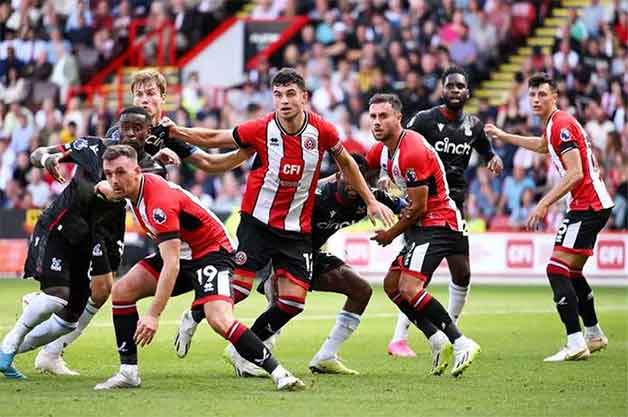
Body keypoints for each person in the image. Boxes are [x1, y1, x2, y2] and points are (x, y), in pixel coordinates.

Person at [162, 67, 395, 375]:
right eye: (278, 95)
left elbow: (348, 163)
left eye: (290, 94)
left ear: (304, 97)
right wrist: (178, 132)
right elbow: (216, 139)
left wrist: (370, 200)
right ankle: (195, 312)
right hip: (258, 221)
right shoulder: (262, 128)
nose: (284, 101)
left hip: (297, 229)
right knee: (240, 290)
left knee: (293, 302)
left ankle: (245, 350)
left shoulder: (323, 131)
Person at [33, 69, 251, 376]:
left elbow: (210, 163)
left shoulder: (168, 133)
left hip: (124, 215)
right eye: (139, 94)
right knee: (100, 289)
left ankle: (53, 352)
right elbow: (112, 173)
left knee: (105, 289)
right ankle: (47, 342)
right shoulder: (125, 129)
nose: (144, 100)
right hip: (92, 210)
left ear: (163, 98)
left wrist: (248, 150)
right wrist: (154, 160)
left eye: (150, 94)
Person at [93, 144, 304, 391]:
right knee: (122, 291)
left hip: (211, 253)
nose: (114, 179)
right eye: (108, 174)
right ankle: (128, 373)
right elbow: (108, 189)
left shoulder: (158, 203)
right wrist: (102, 187)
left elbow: (171, 265)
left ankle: (280, 374)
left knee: (220, 320)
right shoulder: (129, 188)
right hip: (183, 254)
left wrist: (153, 315)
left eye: (120, 172)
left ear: (137, 171)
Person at [174, 153, 405, 375]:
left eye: (362, 179)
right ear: (338, 175)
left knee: (360, 290)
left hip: (307, 253)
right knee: (242, 292)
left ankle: (325, 356)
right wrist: (275, 266)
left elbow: (410, 208)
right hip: (278, 243)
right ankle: (197, 316)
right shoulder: (317, 195)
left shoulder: (373, 198)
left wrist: (395, 231)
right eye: (350, 176)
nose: (355, 184)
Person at [0, 107, 163, 379]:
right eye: (127, 127)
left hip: (98, 234)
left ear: (149, 132)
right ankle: (10, 343)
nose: (132, 133)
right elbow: (37, 153)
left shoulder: (150, 166)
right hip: (61, 227)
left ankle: (14, 352)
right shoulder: (92, 147)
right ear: (118, 128)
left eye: (139, 128)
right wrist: (48, 159)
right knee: (56, 297)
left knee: (69, 318)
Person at [485, 72, 612, 362]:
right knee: (572, 272)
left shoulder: (562, 123)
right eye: (532, 95)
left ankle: (575, 341)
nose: (536, 99)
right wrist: (506, 137)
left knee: (556, 269)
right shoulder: (555, 124)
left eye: (542, 94)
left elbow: (576, 172)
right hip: (592, 204)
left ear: (555, 96)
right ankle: (593, 334)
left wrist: (543, 204)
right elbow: (543, 146)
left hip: (587, 206)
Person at [387, 66, 503, 358]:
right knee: (414, 277)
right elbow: (399, 143)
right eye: (449, 86)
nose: (454, 90)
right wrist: (388, 176)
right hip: (423, 204)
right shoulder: (425, 120)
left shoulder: (474, 126)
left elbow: (484, 147)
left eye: (459, 86)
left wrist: (492, 157)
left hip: (454, 207)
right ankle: (400, 337)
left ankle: (448, 327)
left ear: (467, 92)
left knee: (462, 272)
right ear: (442, 90)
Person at [366, 93, 481, 377]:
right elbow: (357, 168)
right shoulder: (382, 150)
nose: (377, 122)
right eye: (373, 117)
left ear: (399, 118)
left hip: (438, 222)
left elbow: (418, 207)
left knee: (409, 288)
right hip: (425, 224)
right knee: (392, 285)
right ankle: (436, 337)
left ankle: (461, 341)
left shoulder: (412, 149)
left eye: (384, 116)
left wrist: (390, 234)